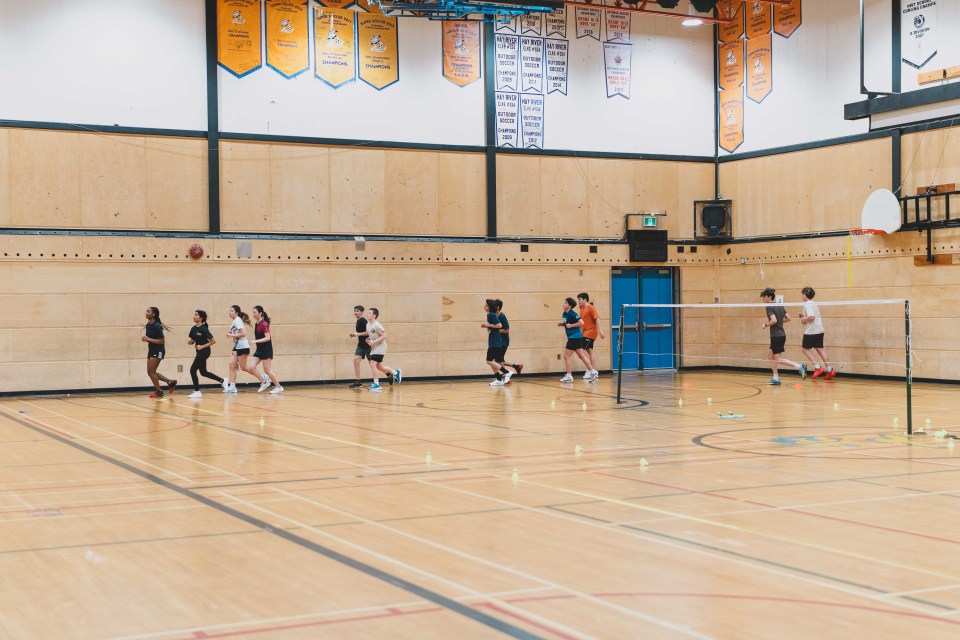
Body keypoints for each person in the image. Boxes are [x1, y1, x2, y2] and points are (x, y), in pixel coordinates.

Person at [760, 288, 806, 385]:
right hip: (781, 335)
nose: (763, 299)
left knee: (778, 359)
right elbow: (788, 318)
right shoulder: (779, 305)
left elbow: (774, 320)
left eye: (764, 297)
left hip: (776, 336)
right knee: (770, 356)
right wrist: (780, 323)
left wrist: (765, 325)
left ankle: (799, 366)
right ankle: (776, 378)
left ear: (769, 297)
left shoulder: (769, 307)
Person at [186, 309, 226, 399]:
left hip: (205, 351)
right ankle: (222, 380)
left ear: (201, 318)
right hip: (199, 352)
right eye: (194, 314)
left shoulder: (204, 329)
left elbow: (213, 341)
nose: (194, 316)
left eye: (196, 315)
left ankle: (197, 391)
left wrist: (202, 346)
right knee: (203, 372)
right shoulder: (193, 329)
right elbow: (194, 339)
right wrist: (191, 342)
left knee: (192, 370)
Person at [799, 286, 836, 380]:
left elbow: (811, 317)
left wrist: (803, 318)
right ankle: (830, 369)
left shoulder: (807, 304)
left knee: (805, 348)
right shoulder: (814, 304)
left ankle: (817, 367)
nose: (802, 296)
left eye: (802, 294)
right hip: (819, 330)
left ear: (805, 295)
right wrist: (804, 318)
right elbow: (811, 317)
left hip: (812, 331)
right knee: (820, 349)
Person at [245, 305, 283, 394]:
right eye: (252, 312)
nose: (253, 314)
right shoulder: (257, 323)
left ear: (260, 313)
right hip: (259, 349)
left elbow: (267, 338)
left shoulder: (264, 323)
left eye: (255, 312)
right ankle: (264, 382)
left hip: (266, 349)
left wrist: (255, 341)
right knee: (251, 367)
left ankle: (279, 386)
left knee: (267, 370)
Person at [143, 307, 176, 398]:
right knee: (150, 372)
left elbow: (162, 341)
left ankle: (159, 391)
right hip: (151, 350)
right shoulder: (148, 325)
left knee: (151, 372)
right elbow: (150, 338)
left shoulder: (157, 326)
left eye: (148, 311)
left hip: (158, 350)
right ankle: (170, 382)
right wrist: (146, 339)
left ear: (153, 314)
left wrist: (148, 339)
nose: (146, 312)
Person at [365, 308, 401, 391]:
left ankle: (376, 384)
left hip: (380, 347)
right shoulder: (368, 325)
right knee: (379, 366)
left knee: (372, 364)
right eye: (367, 313)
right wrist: (368, 339)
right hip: (374, 347)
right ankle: (395, 372)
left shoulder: (377, 325)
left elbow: (384, 336)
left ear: (374, 315)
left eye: (369, 313)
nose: (367, 314)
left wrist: (373, 342)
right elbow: (373, 334)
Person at [558, 297, 592, 383]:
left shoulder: (572, 313)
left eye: (565, 303)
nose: (563, 304)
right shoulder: (564, 313)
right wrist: (562, 324)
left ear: (569, 306)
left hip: (575, 337)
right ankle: (593, 371)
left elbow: (581, 322)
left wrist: (571, 325)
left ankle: (569, 376)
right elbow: (568, 324)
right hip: (574, 337)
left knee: (566, 356)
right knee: (581, 356)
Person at [481, 299, 508, 386]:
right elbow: (494, 327)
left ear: (489, 307)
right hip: (493, 340)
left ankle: (505, 372)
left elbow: (499, 325)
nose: (484, 307)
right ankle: (499, 379)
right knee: (492, 362)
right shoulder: (490, 315)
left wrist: (487, 325)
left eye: (486, 305)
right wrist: (486, 326)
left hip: (495, 341)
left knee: (489, 361)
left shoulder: (491, 315)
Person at [225, 304, 251, 393]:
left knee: (244, 368)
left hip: (243, 346)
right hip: (237, 346)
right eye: (229, 311)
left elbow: (243, 333)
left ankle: (263, 377)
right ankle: (232, 386)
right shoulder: (234, 321)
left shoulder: (237, 320)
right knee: (232, 365)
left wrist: (231, 335)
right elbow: (235, 332)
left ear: (237, 313)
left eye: (232, 311)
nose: (229, 312)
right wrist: (230, 332)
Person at [577, 293, 603, 381]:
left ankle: (589, 369)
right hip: (584, 332)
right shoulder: (581, 308)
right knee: (590, 351)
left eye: (580, 299)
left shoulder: (591, 308)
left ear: (585, 299)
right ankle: (594, 372)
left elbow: (597, 319)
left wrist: (600, 331)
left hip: (590, 332)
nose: (579, 301)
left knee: (581, 349)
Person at [494, 299, 522, 382]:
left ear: (498, 307)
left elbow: (507, 330)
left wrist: (495, 330)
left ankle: (506, 377)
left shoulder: (502, 316)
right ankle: (517, 366)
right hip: (498, 342)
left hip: (503, 341)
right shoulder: (495, 316)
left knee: (498, 360)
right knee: (499, 360)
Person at [348, 305, 369, 389]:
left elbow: (368, 333)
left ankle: (390, 373)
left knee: (375, 365)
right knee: (356, 361)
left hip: (367, 345)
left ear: (362, 312)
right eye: (355, 310)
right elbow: (360, 332)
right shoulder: (358, 321)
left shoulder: (363, 321)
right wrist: (354, 334)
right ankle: (358, 381)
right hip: (361, 345)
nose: (355, 312)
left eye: (357, 311)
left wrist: (357, 334)